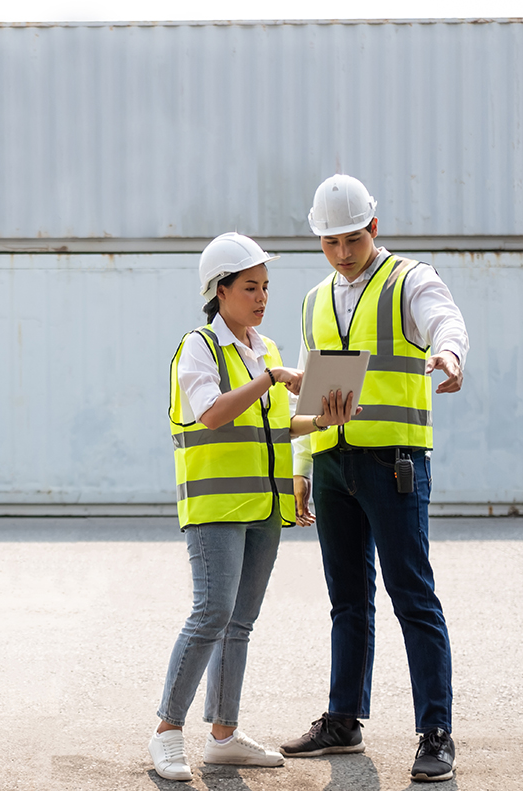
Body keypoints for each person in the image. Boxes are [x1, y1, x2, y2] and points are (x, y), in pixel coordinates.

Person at [149, 232, 359, 782]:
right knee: (210, 614)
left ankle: (223, 735)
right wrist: (270, 378)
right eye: (250, 287)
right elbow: (212, 414)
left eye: (266, 287)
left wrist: (322, 421)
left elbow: (275, 424)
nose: (262, 298)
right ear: (219, 291)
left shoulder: (264, 349)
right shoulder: (199, 346)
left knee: (238, 622)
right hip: (216, 508)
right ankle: (168, 731)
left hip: (264, 508)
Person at [280, 175, 469, 783]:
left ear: (375, 229)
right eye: (330, 242)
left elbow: (446, 320)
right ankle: (343, 719)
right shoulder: (313, 300)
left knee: (412, 595)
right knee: (347, 600)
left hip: (395, 463)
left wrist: (449, 354)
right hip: (333, 466)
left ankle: (435, 732)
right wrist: (304, 466)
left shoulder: (410, 279)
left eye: (352, 239)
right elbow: (313, 384)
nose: (342, 252)